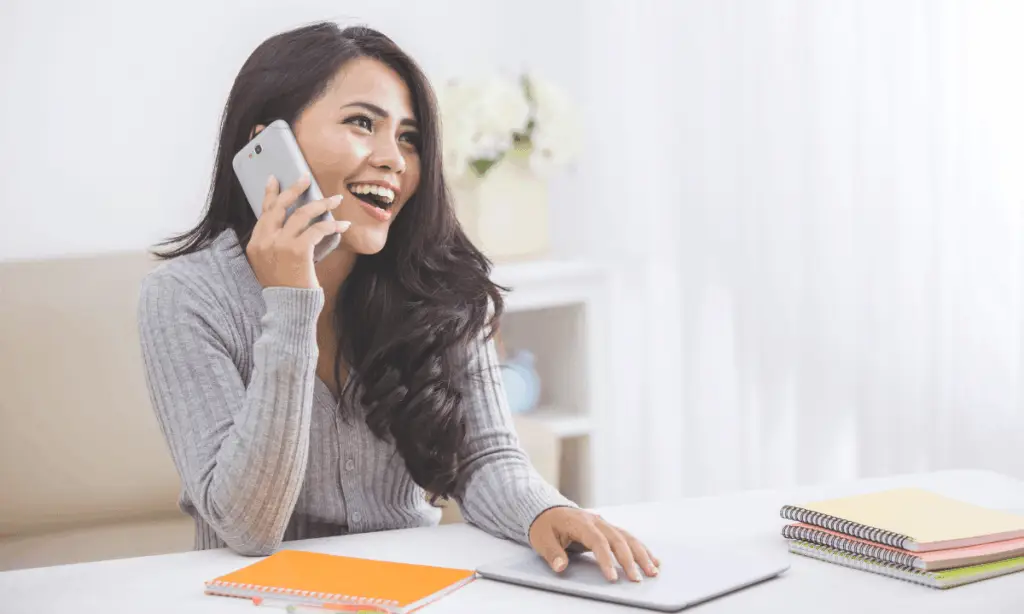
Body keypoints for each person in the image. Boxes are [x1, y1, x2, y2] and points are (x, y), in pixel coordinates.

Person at [137, 21, 658, 583]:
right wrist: (291, 303)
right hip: (262, 594)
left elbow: (483, 457)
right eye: (363, 123)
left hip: (412, 588)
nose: (395, 160)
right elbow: (248, 527)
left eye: (408, 137)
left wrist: (546, 512)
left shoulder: (437, 281)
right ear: (267, 147)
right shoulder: (186, 297)